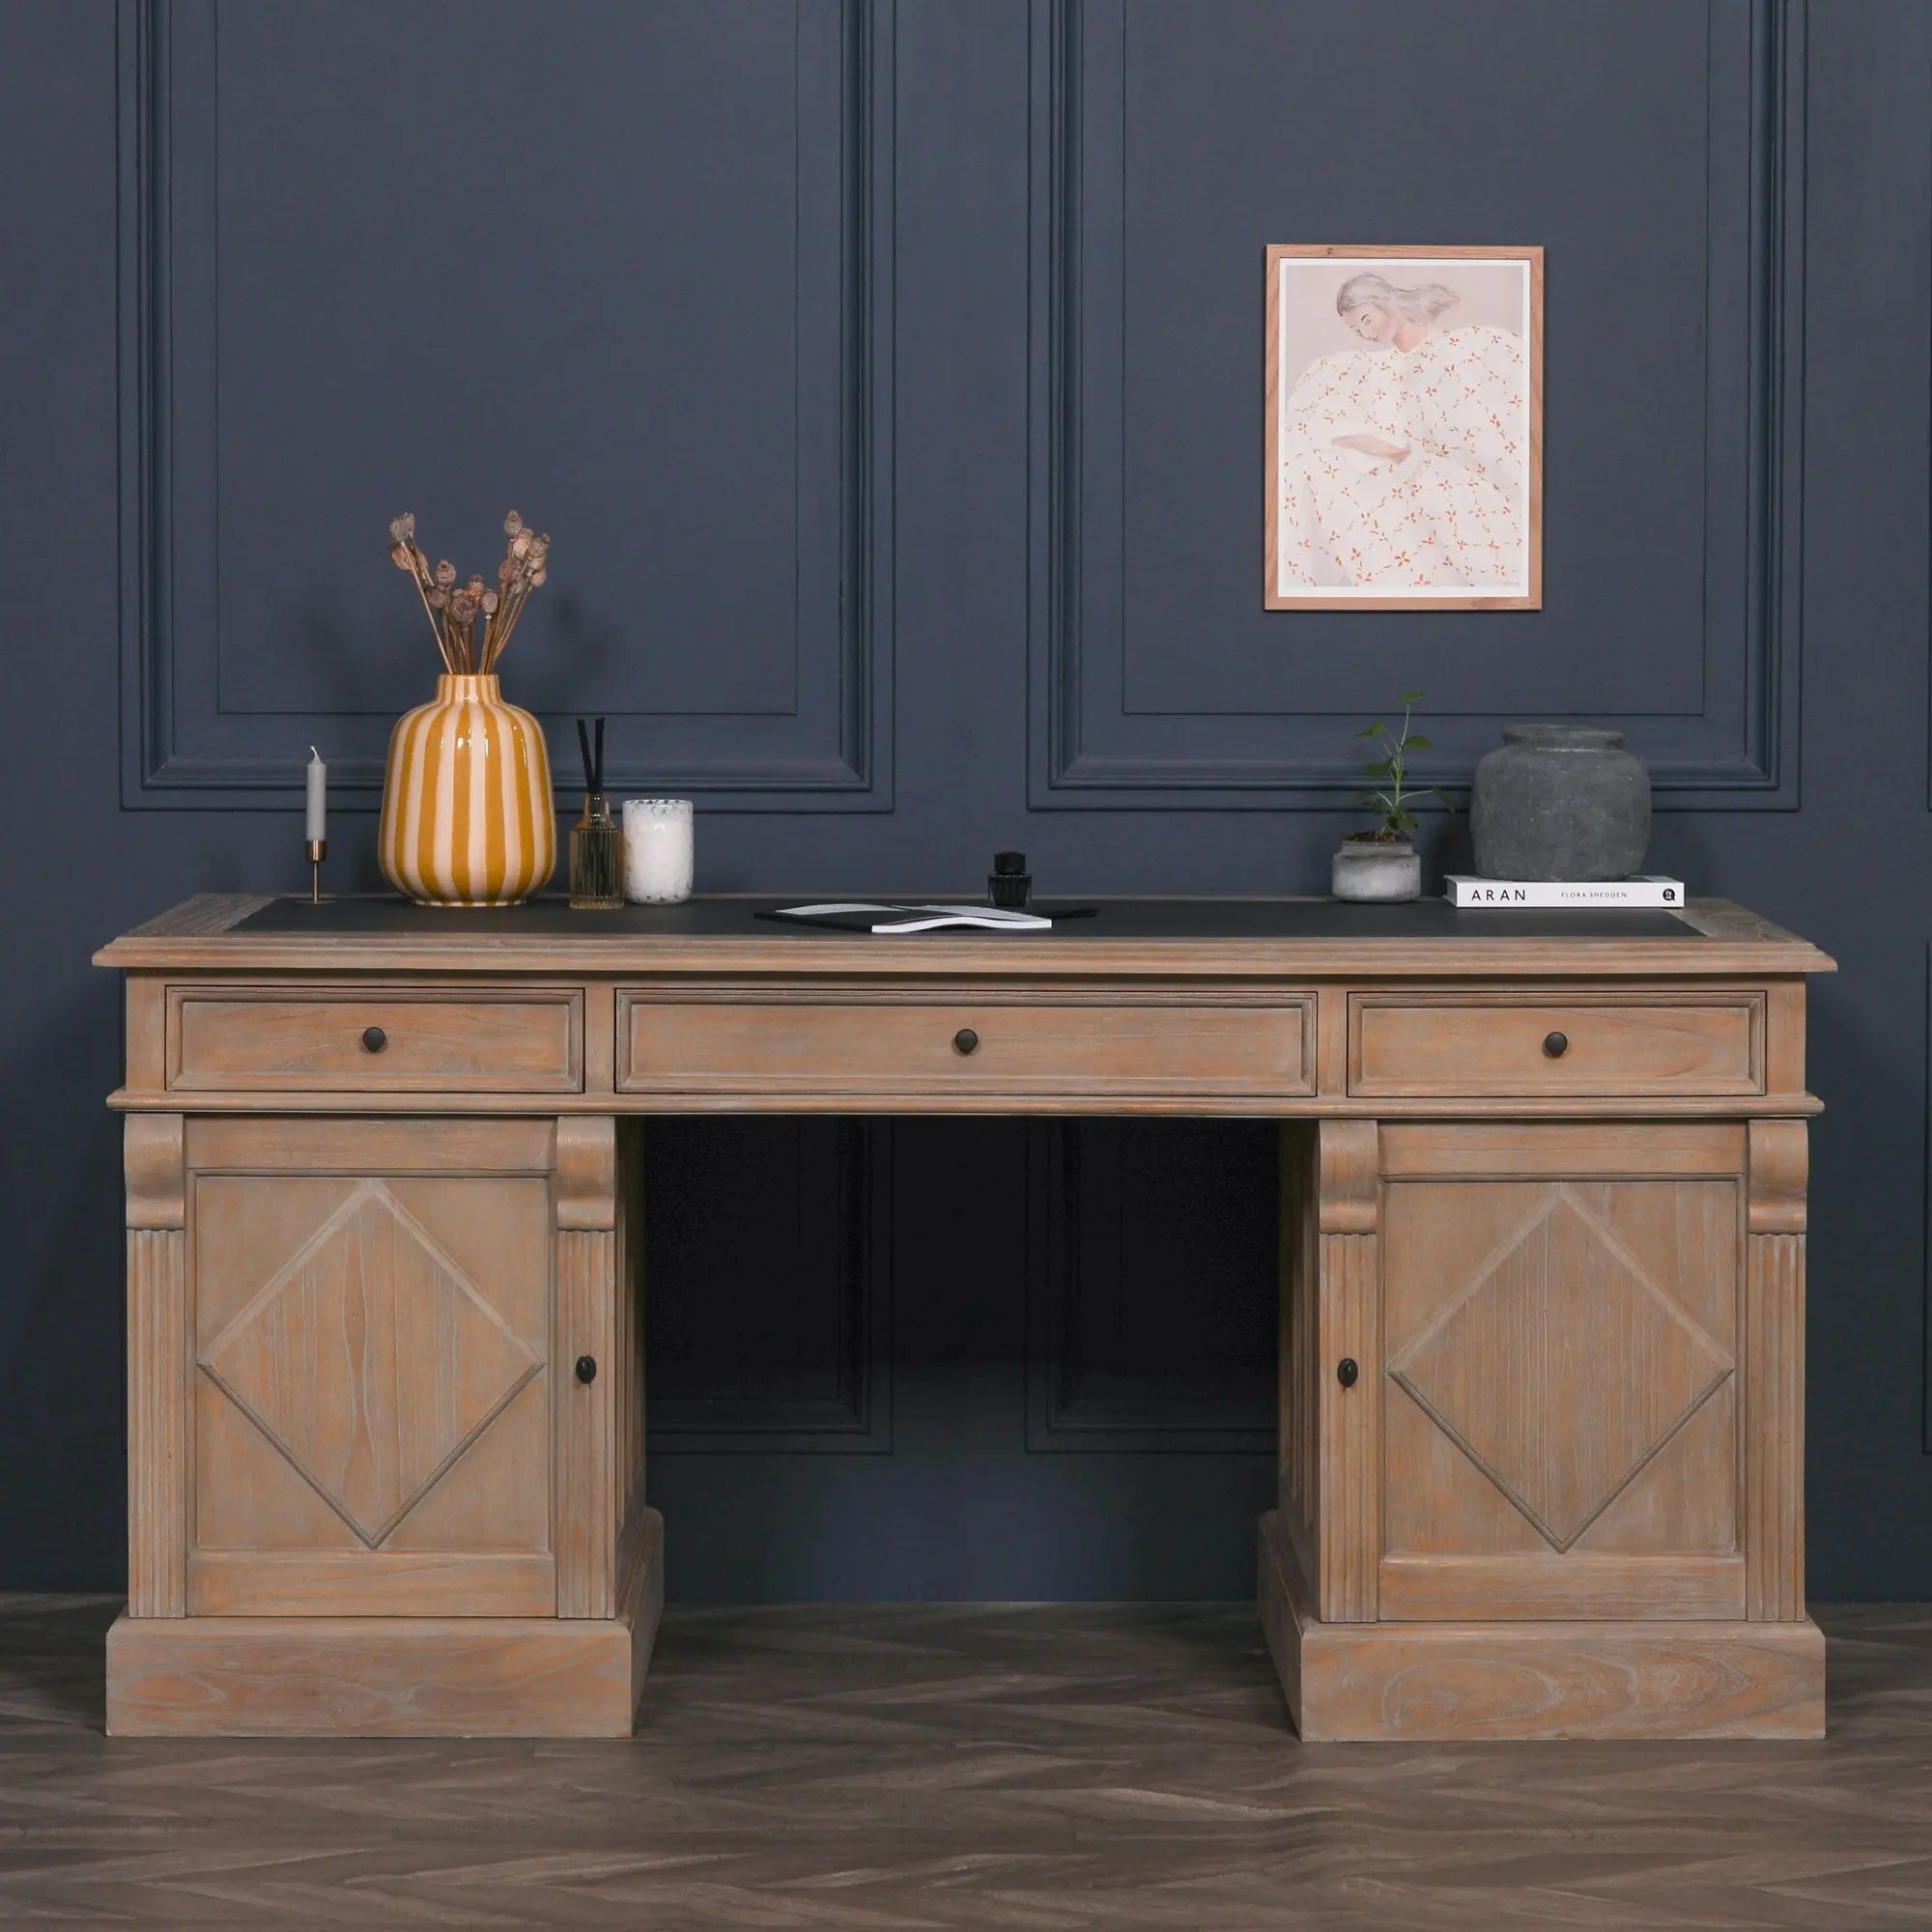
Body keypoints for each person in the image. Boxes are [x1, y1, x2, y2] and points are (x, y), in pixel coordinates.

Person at [1276, 271, 1526, 592]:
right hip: (1397, 480)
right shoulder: (1371, 369)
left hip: (1451, 487)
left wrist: (1386, 450)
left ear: (1386, 303)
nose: (1364, 332)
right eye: (1355, 328)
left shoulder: (1459, 350)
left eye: (1367, 320)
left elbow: (1472, 449)